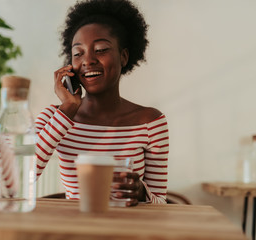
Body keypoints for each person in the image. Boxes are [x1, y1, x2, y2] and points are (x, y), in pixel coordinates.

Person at [35, 0, 169, 205]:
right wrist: (68, 108)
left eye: (100, 49)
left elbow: (162, 205)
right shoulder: (54, 117)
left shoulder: (151, 122)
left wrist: (142, 192)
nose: (88, 60)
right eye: (78, 53)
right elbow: (20, 179)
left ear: (123, 56)